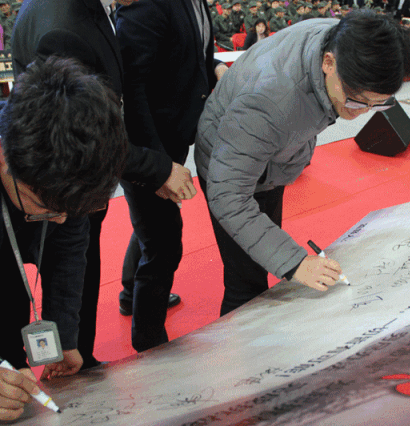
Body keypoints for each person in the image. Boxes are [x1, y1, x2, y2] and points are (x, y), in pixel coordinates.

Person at [195, 11, 410, 315]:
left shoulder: (346, 39)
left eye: (377, 104)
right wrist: (296, 263)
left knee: (262, 251)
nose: (362, 112)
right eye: (356, 100)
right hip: (227, 162)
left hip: (270, 159)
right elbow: (228, 194)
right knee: (246, 286)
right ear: (328, 63)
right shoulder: (271, 100)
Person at [0, 56, 129, 423]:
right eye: (45, 208)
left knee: (11, 391)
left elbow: (68, 244)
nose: (61, 220)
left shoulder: (64, 162)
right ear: (3, 154)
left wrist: (63, 335)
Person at [11, 0, 179, 370]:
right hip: (58, 182)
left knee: (80, 262)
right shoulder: (63, 27)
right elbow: (78, 135)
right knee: (70, 267)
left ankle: (78, 354)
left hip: (68, 181)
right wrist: (157, 168)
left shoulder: (79, 9)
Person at [116, 0, 228, 352]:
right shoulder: (145, 5)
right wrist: (157, 166)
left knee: (152, 223)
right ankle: (149, 343)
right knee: (164, 243)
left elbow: (190, 54)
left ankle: (129, 292)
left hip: (174, 135)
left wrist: (215, 67)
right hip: (147, 147)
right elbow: (131, 89)